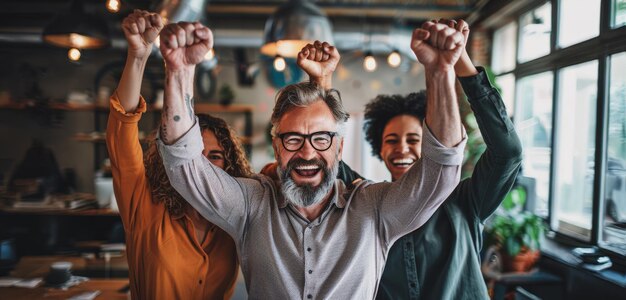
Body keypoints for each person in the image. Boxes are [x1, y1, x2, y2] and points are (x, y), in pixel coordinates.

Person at [156, 20, 466, 299]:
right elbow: (185, 166)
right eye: (293, 139)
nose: (307, 153)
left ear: (339, 149)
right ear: (277, 147)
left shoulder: (373, 208)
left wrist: (440, 74)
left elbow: (441, 171)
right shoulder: (252, 204)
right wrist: (179, 72)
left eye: (321, 139)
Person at [360, 20, 523, 300]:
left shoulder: (466, 200)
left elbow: (507, 152)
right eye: (391, 141)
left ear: (430, 145)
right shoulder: (369, 206)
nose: (402, 148)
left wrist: (462, 64)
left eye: (414, 140)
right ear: (380, 150)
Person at [106, 10, 252, 299]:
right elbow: (122, 133)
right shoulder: (144, 207)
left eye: (215, 156)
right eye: (193, 155)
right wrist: (138, 55)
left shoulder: (236, 221)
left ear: (230, 165)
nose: (201, 165)